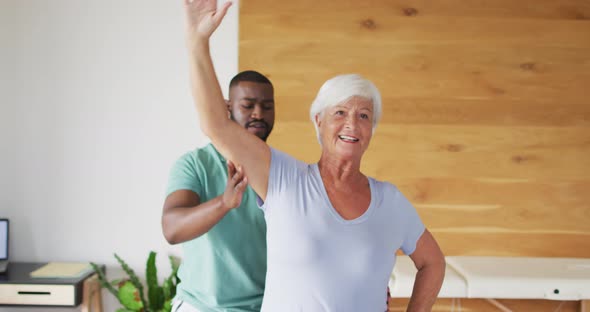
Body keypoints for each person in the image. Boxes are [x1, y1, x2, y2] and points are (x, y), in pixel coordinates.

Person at [182, 0, 446, 311]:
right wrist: (198, 41)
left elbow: (433, 263)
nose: (352, 124)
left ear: (371, 129)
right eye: (340, 112)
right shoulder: (281, 177)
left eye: (364, 116)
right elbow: (216, 124)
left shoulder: (391, 202)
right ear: (318, 122)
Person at [162, 70, 275, 311]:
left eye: (267, 106)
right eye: (248, 105)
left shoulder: (281, 170)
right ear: (227, 109)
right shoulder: (194, 164)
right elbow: (172, 229)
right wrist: (224, 203)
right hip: (199, 306)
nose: (259, 114)